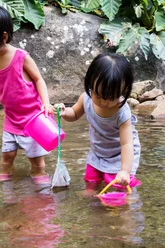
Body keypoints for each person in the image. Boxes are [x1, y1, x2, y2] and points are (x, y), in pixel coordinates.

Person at [0, 5, 53, 184]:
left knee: (36, 160)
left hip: (33, 120)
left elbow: (39, 80)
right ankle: (6, 173)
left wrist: (46, 103)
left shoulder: (21, 57)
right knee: (7, 156)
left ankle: (39, 174)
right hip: (11, 120)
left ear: (3, 36)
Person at [56, 53, 141, 188]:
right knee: (90, 182)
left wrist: (125, 170)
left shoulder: (122, 113)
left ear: (123, 92)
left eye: (111, 97)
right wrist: (65, 112)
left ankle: (130, 196)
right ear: (90, 84)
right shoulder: (86, 99)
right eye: (99, 95)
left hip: (119, 155)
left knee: (119, 186)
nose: (104, 102)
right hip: (98, 152)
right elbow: (74, 114)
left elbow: (127, 144)